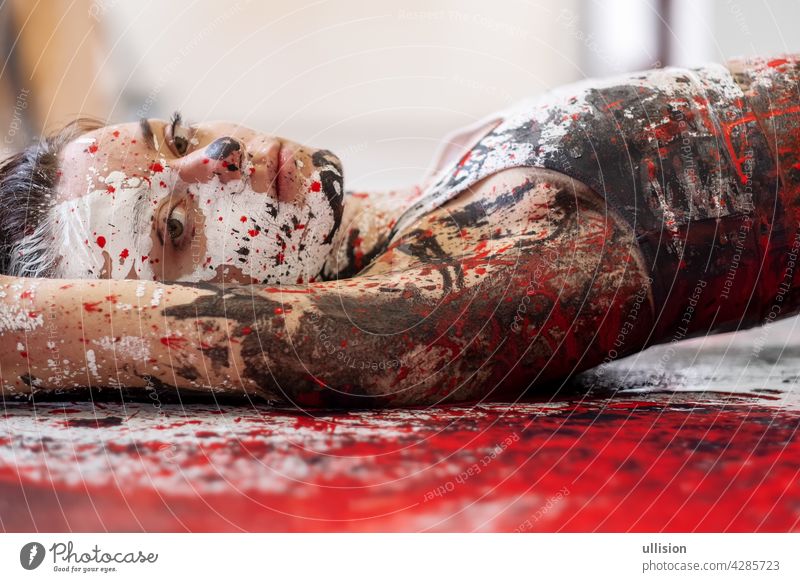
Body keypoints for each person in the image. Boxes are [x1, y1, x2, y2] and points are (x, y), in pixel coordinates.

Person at [0, 54, 798, 407]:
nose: (219, 155)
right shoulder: (462, 265)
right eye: (176, 225)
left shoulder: (416, 207)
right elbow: (353, 345)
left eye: (173, 137)